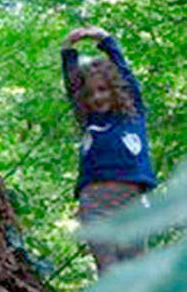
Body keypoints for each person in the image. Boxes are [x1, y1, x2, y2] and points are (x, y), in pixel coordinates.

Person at [60, 25, 156, 274]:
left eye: (103, 90)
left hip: (131, 204)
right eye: (90, 94)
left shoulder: (131, 115)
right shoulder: (91, 122)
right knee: (108, 270)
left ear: (116, 89)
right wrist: (67, 51)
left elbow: (125, 73)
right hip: (95, 206)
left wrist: (104, 39)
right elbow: (72, 88)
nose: (97, 98)